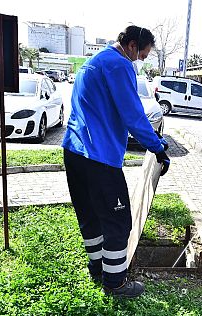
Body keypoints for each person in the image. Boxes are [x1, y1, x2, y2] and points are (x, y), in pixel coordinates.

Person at [62, 25, 171, 298]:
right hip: (99, 157)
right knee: (118, 221)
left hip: (74, 151)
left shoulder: (93, 63)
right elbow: (133, 115)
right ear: (132, 45)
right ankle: (115, 283)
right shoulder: (120, 65)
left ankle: (97, 268)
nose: (141, 60)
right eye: (143, 54)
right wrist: (157, 147)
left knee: (90, 216)